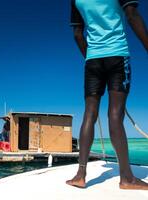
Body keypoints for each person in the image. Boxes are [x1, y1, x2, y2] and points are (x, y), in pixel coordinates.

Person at [66, 0, 148, 190]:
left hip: (93, 60)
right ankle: (127, 178)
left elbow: (78, 34)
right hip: (117, 55)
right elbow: (132, 15)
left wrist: (92, 58)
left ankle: (80, 175)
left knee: (89, 114)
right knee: (115, 115)